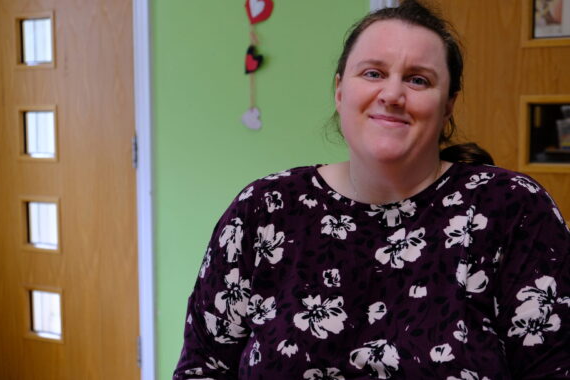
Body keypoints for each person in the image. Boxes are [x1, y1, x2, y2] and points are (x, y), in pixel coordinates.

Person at [173, 1, 570, 379]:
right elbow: (202, 369)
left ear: (449, 105)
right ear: (340, 90)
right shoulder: (264, 210)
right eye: (373, 73)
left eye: (418, 79)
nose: (392, 95)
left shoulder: (513, 209)